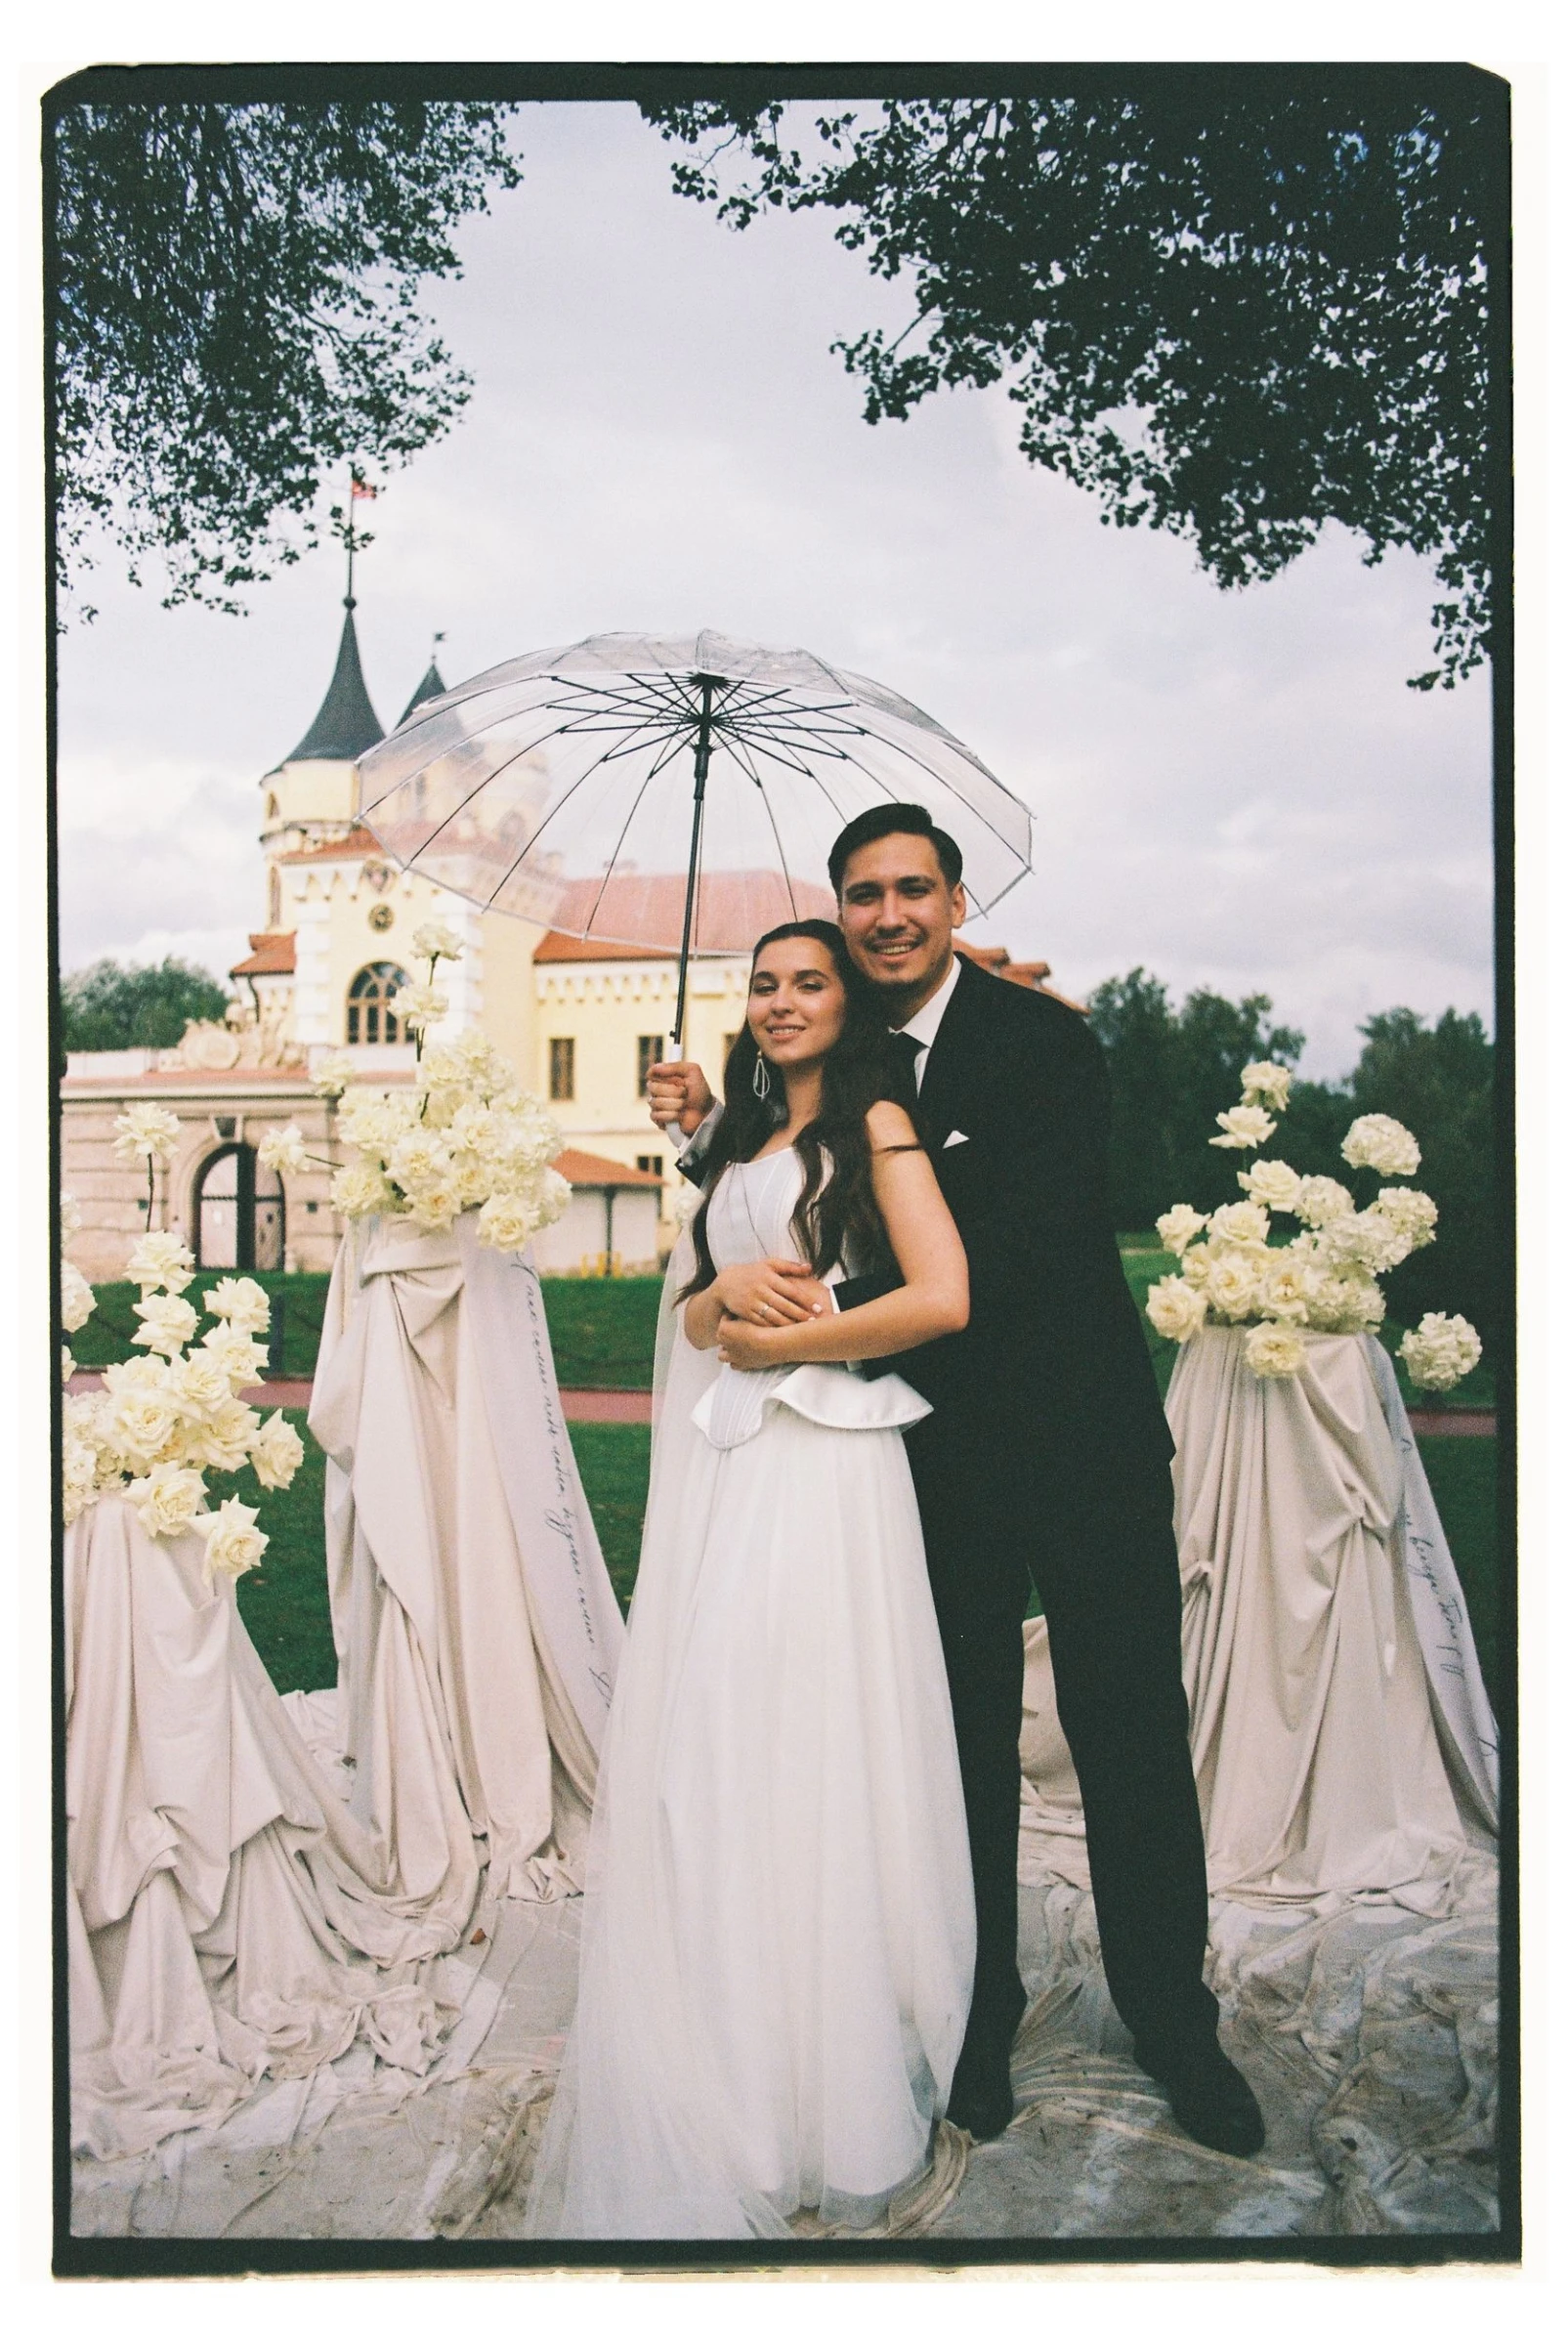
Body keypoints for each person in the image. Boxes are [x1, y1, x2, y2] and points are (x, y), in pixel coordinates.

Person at [649, 806, 1265, 2157]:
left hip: (1083, 1440)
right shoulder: (839, 1052)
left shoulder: (1045, 1041)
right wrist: (711, 1128)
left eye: (912, 891)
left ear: (955, 900)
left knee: (1128, 1730)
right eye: (863, 895)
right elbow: (794, 1190)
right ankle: (978, 2014)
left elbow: (994, 1251)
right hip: (932, 1454)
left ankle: (1173, 2019)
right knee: (957, 1742)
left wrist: (815, 1305)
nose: (888, 917)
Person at [526, 919, 976, 2238]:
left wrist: (798, 1341)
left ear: (849, 1002)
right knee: (714, 1735)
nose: (782, 1002)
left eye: (809, 982)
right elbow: (693, 1310)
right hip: (731, 1464)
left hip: (826, 1463)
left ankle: (823, 2065)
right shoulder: (736, 1143)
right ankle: (724, 2023)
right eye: (765, 984)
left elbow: (942, 1297)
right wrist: (725, 1312)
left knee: (804, 1730)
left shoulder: (878, 1128)